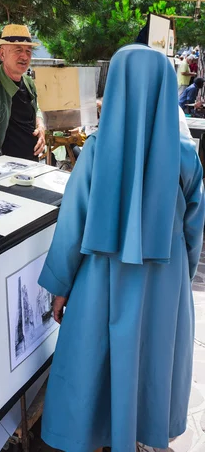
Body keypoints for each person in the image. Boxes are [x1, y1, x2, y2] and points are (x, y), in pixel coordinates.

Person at [38, 44, 205, 452]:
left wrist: (60, 286)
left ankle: (96, 435)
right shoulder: (186, 157)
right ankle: (144, 434)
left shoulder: (94, 151)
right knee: (152, 360)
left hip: (101, 280)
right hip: (163, 284)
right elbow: (193, 229)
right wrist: (181, 280)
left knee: (94, 360)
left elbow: (72, 225)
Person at [0, 24, 45, 161]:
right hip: (3, 167)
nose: (24, 57)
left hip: (31, 163)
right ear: (2, 54)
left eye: (28, 51)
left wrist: (40, 125)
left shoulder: (28, 82)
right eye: (18, 50)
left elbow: (36, 107)